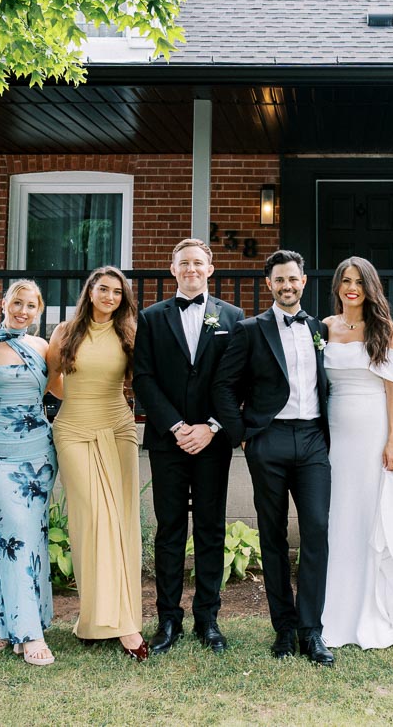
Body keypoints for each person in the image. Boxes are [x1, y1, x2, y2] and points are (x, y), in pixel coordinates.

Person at [213, 250, 335, 666]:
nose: (287, 286)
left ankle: (311, 630)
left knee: (317, 530)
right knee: (273, 534)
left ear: (304, 282)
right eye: (279, 280)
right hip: (269, 439)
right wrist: (244, 435)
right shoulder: (250, 330)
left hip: (314, 439)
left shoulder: (320, 328)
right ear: (270, 285)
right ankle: (283, 628)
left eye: (293, 279)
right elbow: (224, 388)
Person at [320, 256, 393, 655]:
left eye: (359, 281)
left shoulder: (384, 329)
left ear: (370, 287)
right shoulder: (325, 328)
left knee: (374, 515)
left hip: (372, 432)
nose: (351, 288)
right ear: (337, 285)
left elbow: (392, 390)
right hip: (334, 433)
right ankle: (337, 611)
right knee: (340, 516)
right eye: (345, 280)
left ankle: (376, 610)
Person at [133, 239, 244, 655]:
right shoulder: (151, 317)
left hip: (213, 442)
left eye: (199, 263)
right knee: (170, 530)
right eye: (185, 263)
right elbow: (143, 377)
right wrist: (178, 426)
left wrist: (211, 427)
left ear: (210, 269)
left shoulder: (233, 317)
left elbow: (237, 380)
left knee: (212, 529)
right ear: (173, 269)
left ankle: (208, 620)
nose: (192, 269)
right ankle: (167, 620)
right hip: (168, 441)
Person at [46, 266, 147, 661]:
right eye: (103, 289)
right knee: (91, 521)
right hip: (73, 429)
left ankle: (124, 623)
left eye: (117, 292)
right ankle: (96, 618)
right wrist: (78, 400)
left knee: (122, 522)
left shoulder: (130, 331)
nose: (109, 297)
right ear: (90, 292)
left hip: (119, 427)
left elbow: (141, 378)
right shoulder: (65, 332)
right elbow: (52, 380)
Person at [0, 279, 58, 666]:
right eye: (17, 302)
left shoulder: (41, 347)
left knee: (31, 538)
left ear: (39, 311)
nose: (23, 311)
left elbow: (65, 390)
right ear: (3, 303)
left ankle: (6, 622)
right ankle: (29, 633)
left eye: (31, 305)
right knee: (13, 537)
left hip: (39, 455)